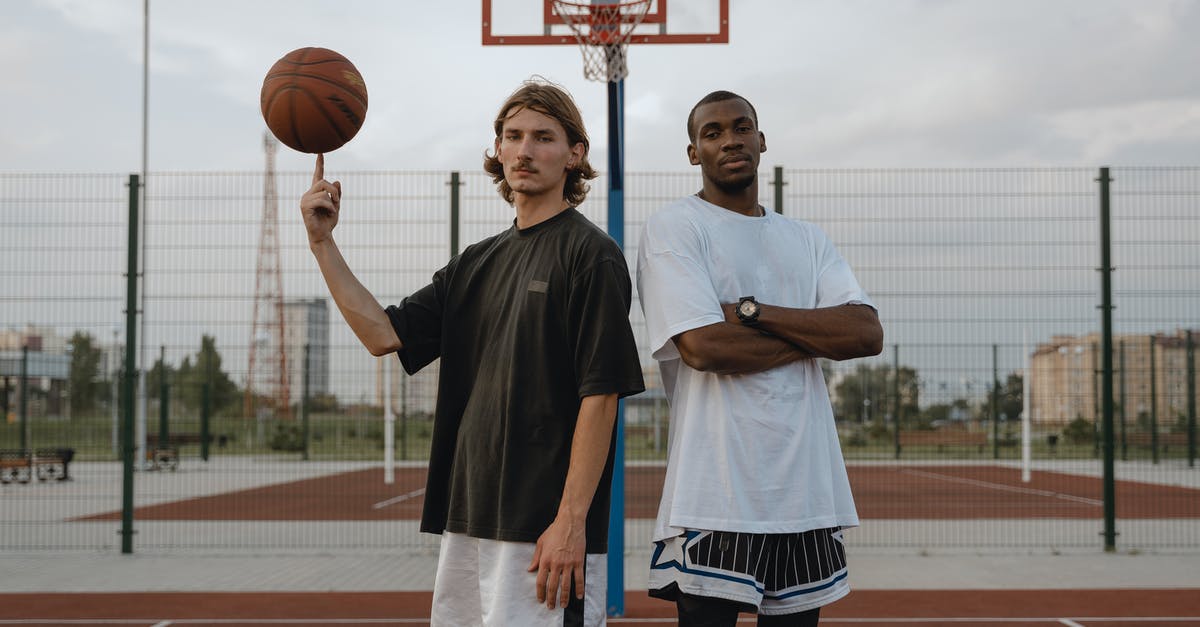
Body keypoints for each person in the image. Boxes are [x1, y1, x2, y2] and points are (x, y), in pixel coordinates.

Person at [301, 79, 645, 626]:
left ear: (575, 154)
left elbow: (600, 397)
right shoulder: (475, 262)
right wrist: (323, 243)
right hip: (468, 512)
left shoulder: (591, 255)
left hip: (542, 526)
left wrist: (571, 522)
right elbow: (382, 335)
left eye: (543, 137)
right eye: (513, 136)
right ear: (499, 150)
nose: (525, 150)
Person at [635, 90, 884, 626]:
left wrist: (751, 311)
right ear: (693, 151)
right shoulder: (675, 228)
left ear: (761, 140)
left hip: (806, 494)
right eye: (713, 132)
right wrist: (815, 333)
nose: (730, 139)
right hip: (714, 492)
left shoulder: (808, 239)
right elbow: (703, 347)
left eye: (741, 126)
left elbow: (865, 333)